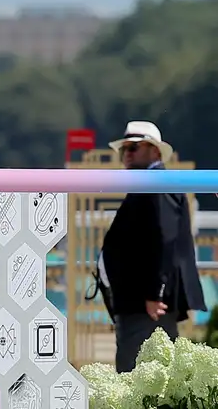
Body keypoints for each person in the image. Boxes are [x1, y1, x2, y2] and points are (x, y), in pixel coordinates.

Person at [97, 120, 205, 372]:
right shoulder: (151, 184)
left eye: (134, 147)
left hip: (147, 306)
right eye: (124, 149)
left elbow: (164, 239)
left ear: (155, 151)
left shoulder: (157, 183)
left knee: (137, 377)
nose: (127, 154)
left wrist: (155, 293)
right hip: (142, 303)